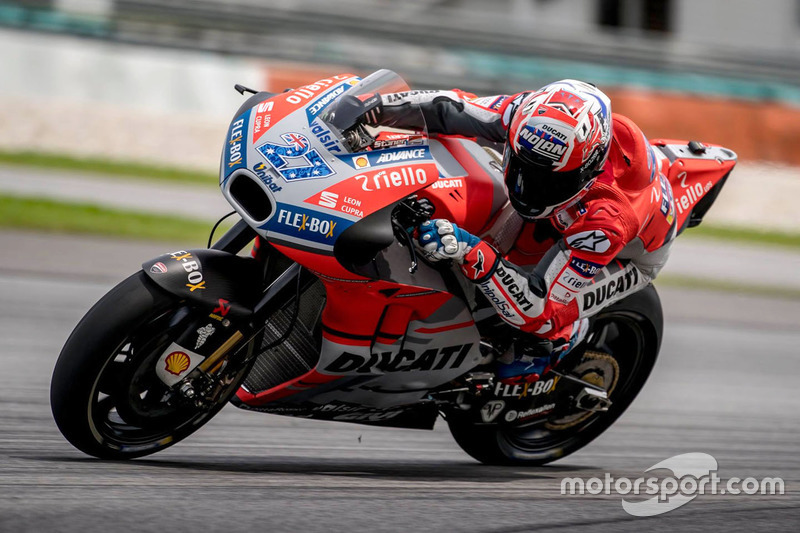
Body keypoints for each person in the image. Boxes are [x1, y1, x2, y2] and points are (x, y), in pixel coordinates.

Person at [345, 80, 676, 385]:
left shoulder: (608, 220)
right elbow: (450, 108)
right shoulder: (529, 115)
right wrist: (374, 106)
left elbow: (540, 307)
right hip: (569, 212)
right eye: (523, 167)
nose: (530, 190)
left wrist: (470, 250)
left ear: (588, 169)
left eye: (551, 182)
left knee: (536, 326)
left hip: (627, 253)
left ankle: (564, 340)